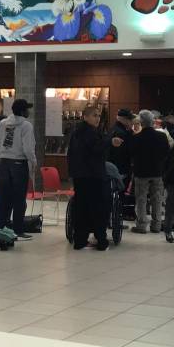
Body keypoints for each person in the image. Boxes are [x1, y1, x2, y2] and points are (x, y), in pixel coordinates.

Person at [0, 99, 37, 240]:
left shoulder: (3, 123)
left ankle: (0, 228)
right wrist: (33, 162)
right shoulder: (26, 126)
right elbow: (28, 148)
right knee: (19, 199)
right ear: (22, 111)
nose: (29, 111)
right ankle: (18, 230)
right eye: (27, 109)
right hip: (19, 164)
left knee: (3, 198)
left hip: (3, 164)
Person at [67, 105, 114, 250]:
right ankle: (101, 240)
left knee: (82, 207)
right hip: (93, 176)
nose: (97, 118)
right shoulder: (90, 133)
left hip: (80, 176)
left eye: (99, 116)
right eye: (94, 115)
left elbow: (71, 155)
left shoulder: (76, 133)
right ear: (85, 117)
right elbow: (96, 149)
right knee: (97, 208)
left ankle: (80, 239)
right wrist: (109, 141)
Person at [130, 110, 171, 234]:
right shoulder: (162, 136)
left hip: (141, 172)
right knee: (157, 199)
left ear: (141, 122)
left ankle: (142, 225)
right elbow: (166, 152)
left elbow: (132, 154)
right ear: (152, 121)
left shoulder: (136, 138)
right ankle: (156, 225)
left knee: (141, 199)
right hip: (157, 171)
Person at [108, 108, 133, 179]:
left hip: (112, 167)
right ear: (124, 119)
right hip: (121, 170)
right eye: (130, 119)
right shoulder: (122, 133)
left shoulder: (112, 129)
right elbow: (125, 152)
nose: (131, 122)